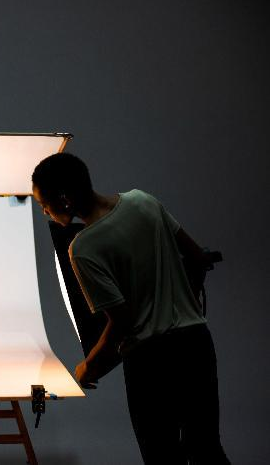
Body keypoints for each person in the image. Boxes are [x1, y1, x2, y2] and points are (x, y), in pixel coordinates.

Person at [31, 153, 229, 464]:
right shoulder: (143, 201)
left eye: (44, 203)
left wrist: (88, 368)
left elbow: (121, 321)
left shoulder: (83, 248)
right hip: (196, 345)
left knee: (162, 456)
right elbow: (197, 258)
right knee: (206, 448)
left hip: (150, 363)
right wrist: (179, 297)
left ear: (65, 200)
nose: (43, 211)